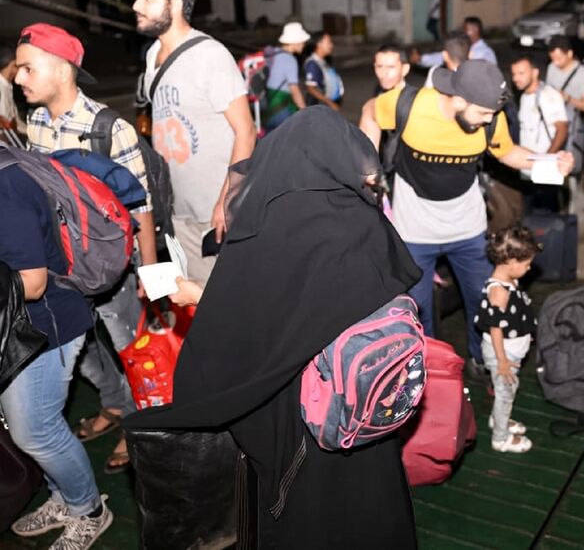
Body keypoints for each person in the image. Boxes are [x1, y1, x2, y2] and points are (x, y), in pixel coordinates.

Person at [125, 106, 421, 548]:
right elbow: (312, 308)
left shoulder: (273, 230)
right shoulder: (365, 221)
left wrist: (199, 301)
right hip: (366, 418)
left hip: (304, 435)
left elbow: (247, 332)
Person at [359, 60, 573, 372]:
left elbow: (507, 152)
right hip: (414, 230)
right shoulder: (412, 104)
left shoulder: (489, 117)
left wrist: (551, 160)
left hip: (468, 228)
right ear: (458, 100)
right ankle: (428, 366)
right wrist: (369, 167)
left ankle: (481, 358)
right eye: (484, 113)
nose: (490, 120)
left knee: (482, 300)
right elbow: (369, 110)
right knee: (416, 310)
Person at [16, 22, 158, 473]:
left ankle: (137, 429)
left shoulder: (109, 128)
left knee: (130, 350)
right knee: (86, 351)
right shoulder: (36, 121)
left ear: (62, 70)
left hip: (112, 270)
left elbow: (144, 208)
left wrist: (150, 277)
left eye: (27, 68)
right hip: (64, 269)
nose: (18, 78)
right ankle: (114, 406)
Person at [0, 163, 112, 549]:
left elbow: (32, 282)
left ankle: (89, 510)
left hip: (48, 326)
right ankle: (64, 498)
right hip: (22, 327)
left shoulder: (5, 187)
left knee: (36, 431)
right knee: (29, 427)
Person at [129, 0, 256, 287]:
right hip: (175, 210)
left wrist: (227, 199)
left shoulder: (209, 55)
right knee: (190, 296)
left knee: (224, 303)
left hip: (213, 213)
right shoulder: (151, 57)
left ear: (174, 3)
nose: (135, 5)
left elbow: (246, 131)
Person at [474, 225, 538, 453]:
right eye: (526, 263)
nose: (529, 268)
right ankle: (500, 438)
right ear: (511, 262)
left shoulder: (509, 281)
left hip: (511, 351)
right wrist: (502, 361)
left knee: (509, 389)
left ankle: (498, 419)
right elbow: (495, 329)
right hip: (503, 353)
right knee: (505, 392)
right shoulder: (499, 291)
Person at [546, 35, 584, 212]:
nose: (555, 63)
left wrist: (567, 97)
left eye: (559, 58)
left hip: (573, 124)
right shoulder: (551, 68)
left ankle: (573, 198)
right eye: (552, 59)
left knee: (572, 162)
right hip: (553, 122)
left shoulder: (583, 74)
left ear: (570, 54)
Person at [512, 55, 568, 155]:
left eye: (521, 73)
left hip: (543, 166)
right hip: (526, 165)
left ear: (535, 73)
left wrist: (546, 159)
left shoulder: (548, 95)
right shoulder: (524, 96)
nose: (515, 78)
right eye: (514, 74)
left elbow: (562, 130)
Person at [262, 21, 309, 132]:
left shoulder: (274, 53)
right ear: (294, 42)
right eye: (301, 41)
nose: (304, 44)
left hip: (267, 108)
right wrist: (305, 111)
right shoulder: (289, 60)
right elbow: (294, 90)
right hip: (281, 111)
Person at [304, 32, 343, 111]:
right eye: (329, 42)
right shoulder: (313, 63)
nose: (331, 45)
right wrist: (330, 103)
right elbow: (311, 88)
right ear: (319, 44)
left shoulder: (323, 62)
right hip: (318, 109)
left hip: (324, 107)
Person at [0, 43, 25, 134]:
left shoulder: (7, 87)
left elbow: (15, 121)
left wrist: (31, 132)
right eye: (18, 66)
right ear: (13, 65)